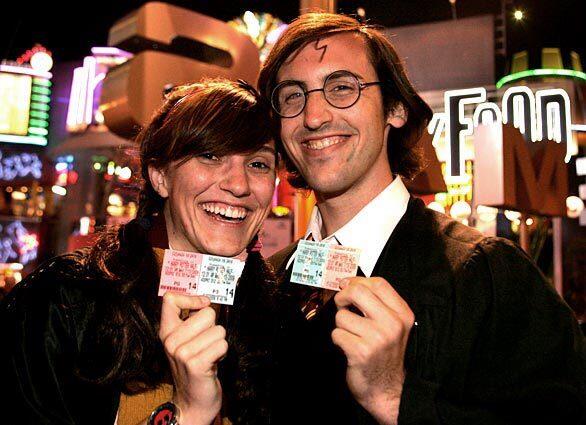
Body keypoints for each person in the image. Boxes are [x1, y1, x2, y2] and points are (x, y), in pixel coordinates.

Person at [258, 12, 586, 424]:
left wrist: (395, 399)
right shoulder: (272, 281)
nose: (314, 116)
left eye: (342, 88)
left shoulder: (487, 276)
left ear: (395, 108)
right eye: (292, 95)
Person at [0, 79, 280, 425]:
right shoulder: (62, 301)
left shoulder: (279, 314)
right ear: (160, 175)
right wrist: (187, 413)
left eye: (258, 164)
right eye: (210, 155)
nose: (238, 185)